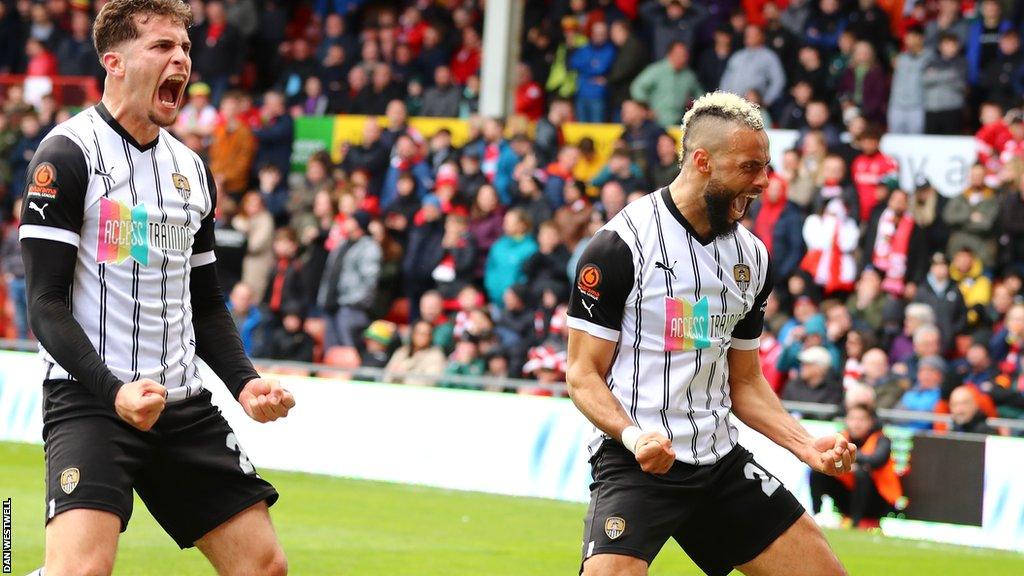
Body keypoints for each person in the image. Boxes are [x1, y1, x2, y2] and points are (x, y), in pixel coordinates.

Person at [18, 2, 293, 575]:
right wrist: (112, 390)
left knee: (263, 567)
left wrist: (245, 383)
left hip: (180, 401)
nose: (181, 60)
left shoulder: (191, 170)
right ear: (114, 62)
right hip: (91, 399)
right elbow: (44, 304)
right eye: (162, 47)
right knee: (80, 573)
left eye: (185, 48)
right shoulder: (67, 155)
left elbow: (206, 302)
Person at [566, 92, 852, 576]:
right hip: (636, 461)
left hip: (719, 462)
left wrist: (805, 446)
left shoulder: (752, 258)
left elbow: (744, 381)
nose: (763, 181)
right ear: (702, 162)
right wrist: (635, 438)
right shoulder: (620, 246)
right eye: (749, 167)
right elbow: (582, 374)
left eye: (766, 167)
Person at [810, 405, 901, 529]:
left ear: (870, 422)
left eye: (861, 420)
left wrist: (850, 457)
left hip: (878, 499)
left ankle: (856, 523)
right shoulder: (841, 437)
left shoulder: (882, 439)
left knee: (861, 473)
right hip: (848, 495)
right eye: (852, 419)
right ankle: (816, 516)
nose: (856, 424)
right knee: (818, 471)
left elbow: (877, 460)